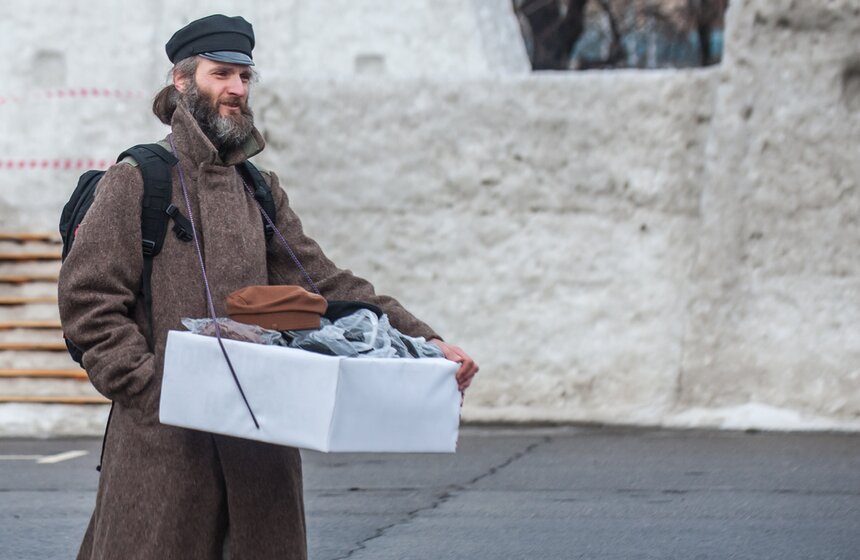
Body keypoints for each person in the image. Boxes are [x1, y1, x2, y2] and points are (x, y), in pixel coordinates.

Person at [58, 14, 478, 560]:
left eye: (244, 76)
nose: (236, 89)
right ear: (182, 81)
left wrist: (425, 344)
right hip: (163, 452)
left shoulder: (259, 189)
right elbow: (89, 303)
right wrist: (150, 388)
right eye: (220, 74)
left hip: (260, 450)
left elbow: (327, 285)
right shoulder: (137, 179)